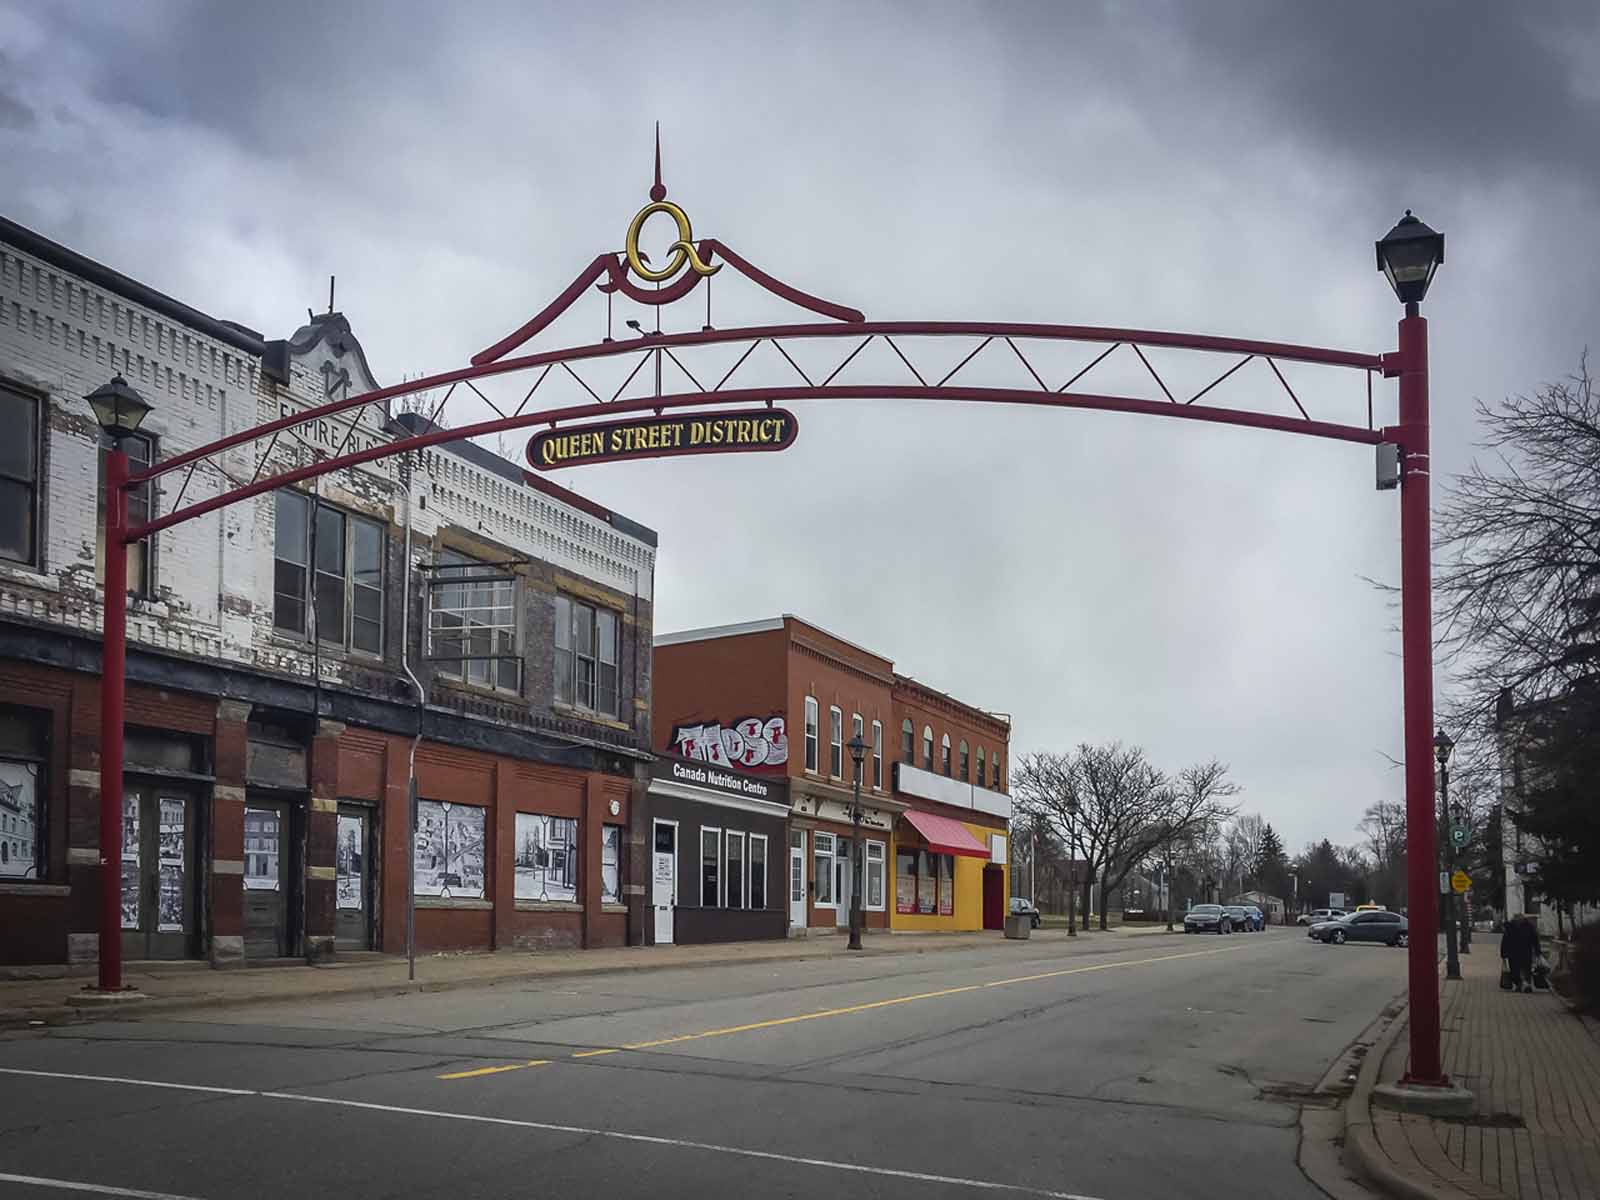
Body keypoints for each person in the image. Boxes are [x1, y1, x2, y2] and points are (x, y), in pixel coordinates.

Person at [1500, 912, 1542, 993]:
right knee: (1515, 971)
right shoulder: (1510, 927)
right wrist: (1503, 955)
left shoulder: (1528, 926)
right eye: (1517, 918)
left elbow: (1534, 939)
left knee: (1526, 969)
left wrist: (1537, 951)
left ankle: (1526, 985)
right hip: (1514, 954)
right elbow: (1505, 941)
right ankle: (1520, 985)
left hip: (1525, 953)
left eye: (1520, 918)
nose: (1518, 920)